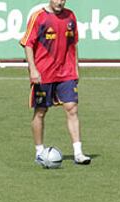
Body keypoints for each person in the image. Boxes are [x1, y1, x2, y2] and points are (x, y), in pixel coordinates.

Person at [20, 0, 91, 165]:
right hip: (44, 73)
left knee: (72, 108)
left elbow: (73, 44)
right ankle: (39, 152)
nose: (60, 2)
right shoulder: (38, 17)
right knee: (41, 111)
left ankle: (78, 153)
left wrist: (76, 68)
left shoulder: (70, 16)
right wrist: (33, 69)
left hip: (66, 72)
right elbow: (27, 44)